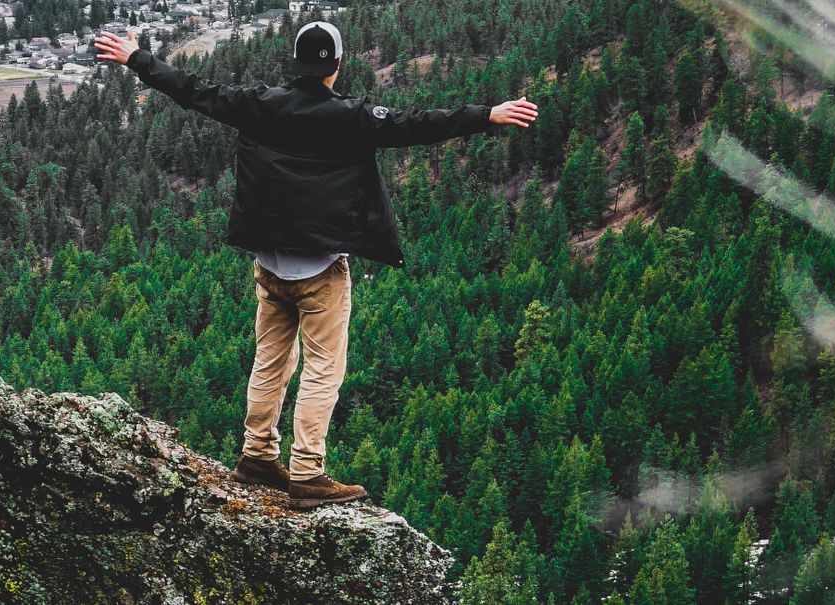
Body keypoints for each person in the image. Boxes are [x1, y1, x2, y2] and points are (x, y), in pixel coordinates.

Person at [96, 22, 538, 509]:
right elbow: (419, 124)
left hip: (268, 263)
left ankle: (256, 455)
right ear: (338, 66)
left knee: (270, 361)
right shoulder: (353, 116)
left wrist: (138, 57)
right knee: (322, 370)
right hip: (321, 270)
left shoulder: (257, 103)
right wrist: (487, 115)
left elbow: (193, 90)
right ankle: (307, 473)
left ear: (295, 63)